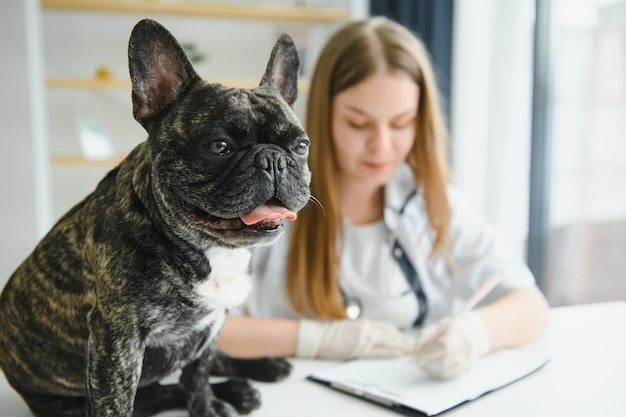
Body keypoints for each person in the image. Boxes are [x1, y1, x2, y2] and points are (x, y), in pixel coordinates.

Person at [218, 16, 549, 379]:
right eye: (359, 124)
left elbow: (531, 307)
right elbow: (203, 330)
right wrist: (316, 339)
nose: (382, 146)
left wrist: (474, 333)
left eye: (401, 123)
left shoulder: (437, 207)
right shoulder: (261, 207)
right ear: (324, 115)